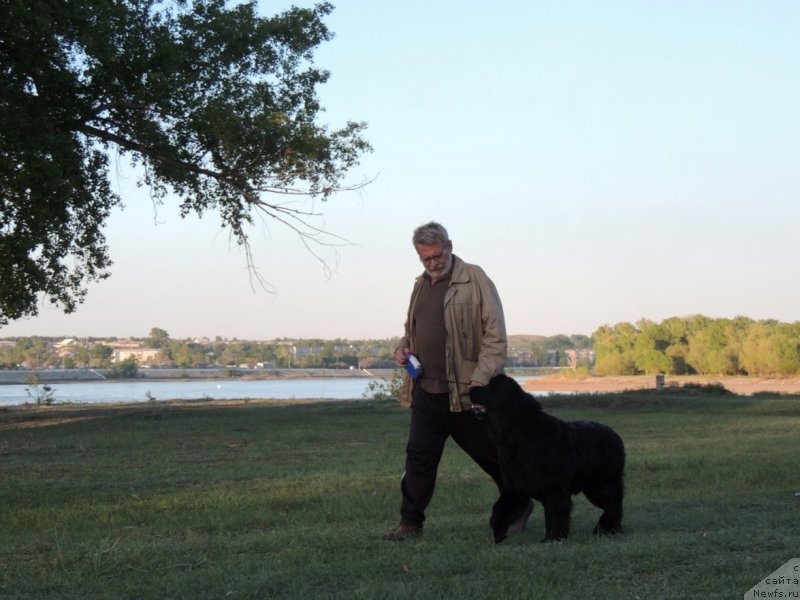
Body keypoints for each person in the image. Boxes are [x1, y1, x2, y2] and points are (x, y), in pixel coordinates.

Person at [383, 221, 533, 541]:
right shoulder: (420, 284)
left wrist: (480, 382)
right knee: (419, 458)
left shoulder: (475, 278)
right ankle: (410, 524)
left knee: (493, 455)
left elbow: (495, 337)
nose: (434, 263)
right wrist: (402, 347)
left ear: (450, 246)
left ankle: (519, 507)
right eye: (426, 259)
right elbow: (413, 329)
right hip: (426, 391)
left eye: (437, 255)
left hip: (467, 393)